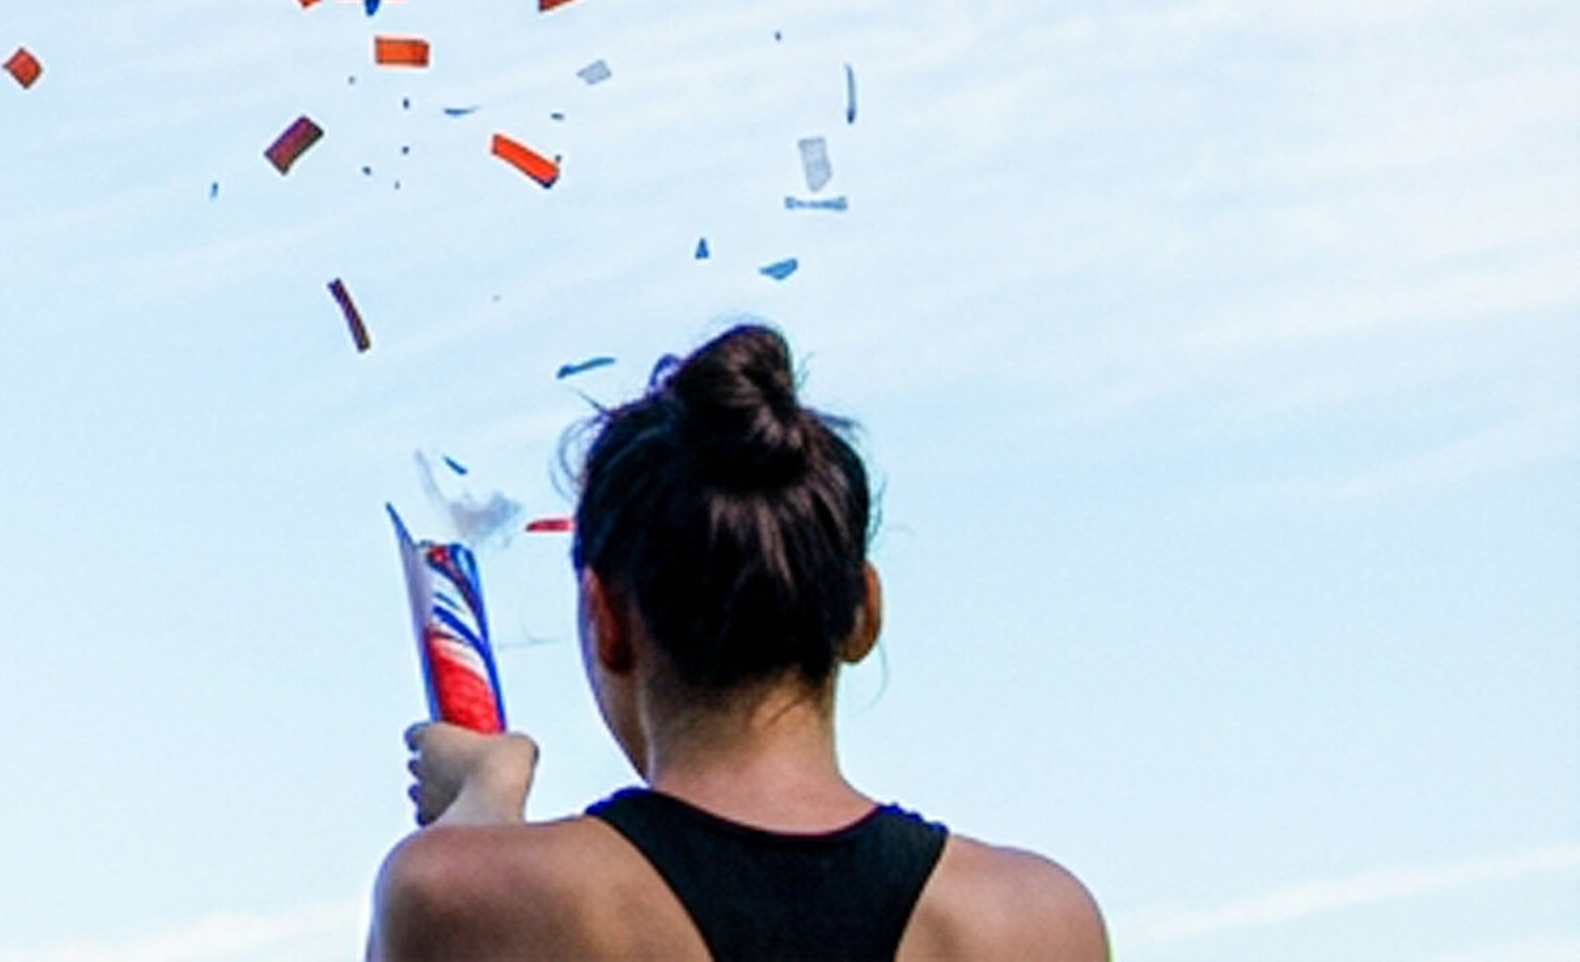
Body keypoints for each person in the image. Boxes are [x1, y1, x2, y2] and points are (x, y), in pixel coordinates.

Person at [365, 324, 1110, 960]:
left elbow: (455, 902)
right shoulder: (1038, 922)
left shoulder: (452, 893)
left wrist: (483, 793)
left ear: (609, 619)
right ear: (862, 611)